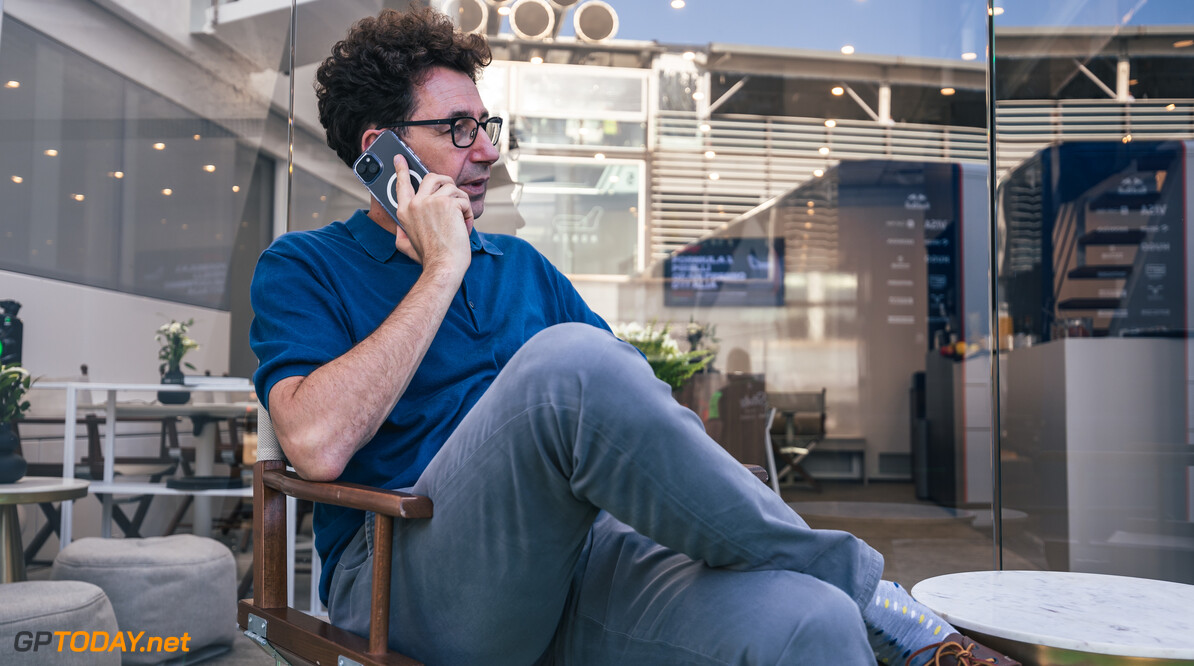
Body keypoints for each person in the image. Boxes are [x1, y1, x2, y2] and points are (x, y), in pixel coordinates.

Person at [249, 8, 1019, 666]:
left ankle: (856, 605)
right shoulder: (304, 266)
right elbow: (315, 444)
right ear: (383, 153)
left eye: (486, 125)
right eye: (457, 128)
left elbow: (626, 415)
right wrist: (440, 271)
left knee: (808, 624)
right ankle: (882, 598)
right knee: (568, 363)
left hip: (579, 567)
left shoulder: (521, 267)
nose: (487, 149)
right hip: (405, 582)